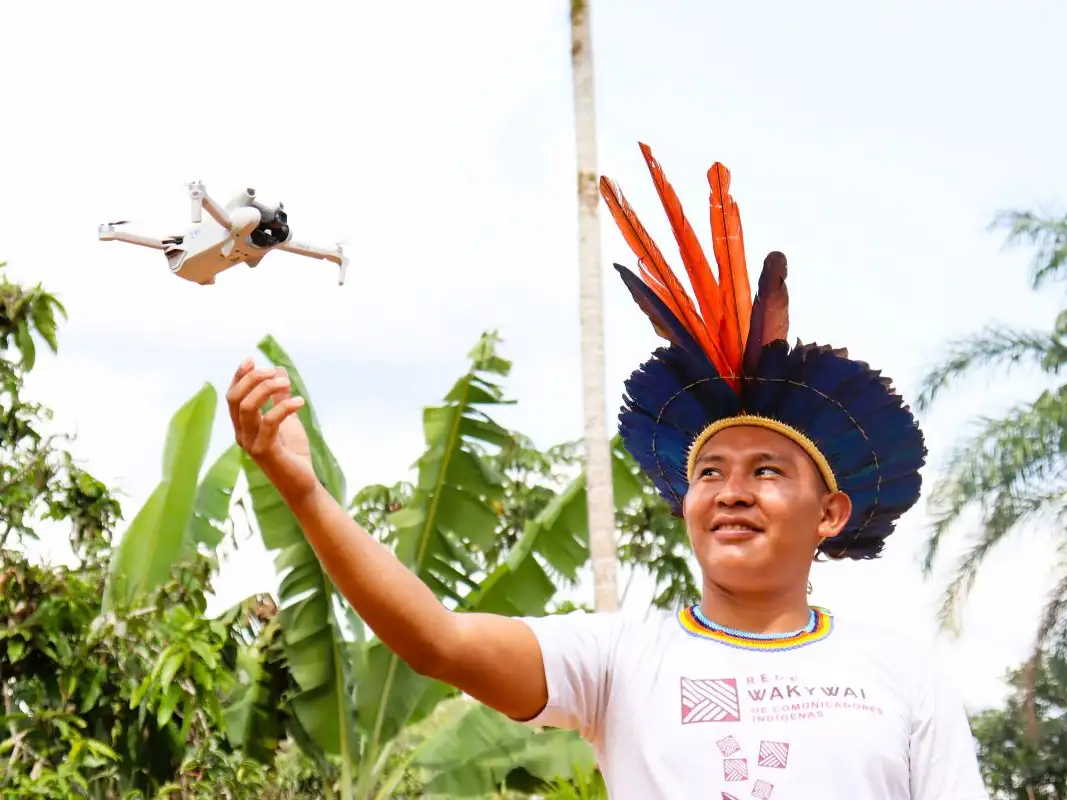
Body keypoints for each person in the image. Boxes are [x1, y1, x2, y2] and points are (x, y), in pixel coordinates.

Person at [226, 143, 988, 799]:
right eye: (710, 472)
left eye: (765, 473)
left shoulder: (899, 675)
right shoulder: (618, 659)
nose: (730, 492)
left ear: (828, 514)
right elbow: (436, 642)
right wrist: (304, 489)